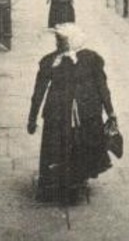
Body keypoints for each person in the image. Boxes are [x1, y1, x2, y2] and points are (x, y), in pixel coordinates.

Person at [27, 24, 117, 204]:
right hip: (58, 114)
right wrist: (32, 117)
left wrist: (111, 112)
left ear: (73, 41)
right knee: (59, 147)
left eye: (62, 40)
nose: (58, 44)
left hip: (83, 114)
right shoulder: (49, 62)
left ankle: (74, 183)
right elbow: (38, 92)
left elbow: (102, 88)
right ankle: (57, 183)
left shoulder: (91, 59)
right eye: (58, 40)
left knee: (77, 147)